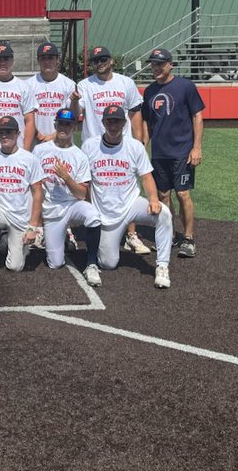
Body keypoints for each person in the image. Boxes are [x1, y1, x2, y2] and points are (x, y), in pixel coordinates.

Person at [82, 105, 173, 289]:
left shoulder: (134, 146)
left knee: (164, 214)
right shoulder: (89, 146)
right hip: (106, 213)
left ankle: (162, 266)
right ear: (103, 122)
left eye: (117, 121)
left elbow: (146, 177)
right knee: (108, 264)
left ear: (124, 123)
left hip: (131, 204)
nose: (113, 125)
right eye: (109, 121)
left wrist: (153, 199)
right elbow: (85, 182)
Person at [76, 45, 152, 256]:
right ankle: (96, 225)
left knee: (126, 187)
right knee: (93, 186)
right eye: (95, 60)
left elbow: (135, 112)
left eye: (103, 59)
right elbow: (76, 112)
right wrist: (74, 101)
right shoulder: (84, 85)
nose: (99, 63)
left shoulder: (125, 82)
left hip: (122, 143)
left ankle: (131, 235)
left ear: (111, 61)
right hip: (94, 143)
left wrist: (139, 140)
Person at [141, 48, 205, 259]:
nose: (156, 68)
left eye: (160, 63)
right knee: (162, 196)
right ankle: (168, 236)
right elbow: (148, 123)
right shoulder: (149, 92)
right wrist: (142, 146)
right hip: (159, 153)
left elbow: (197, 116)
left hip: (182, 152)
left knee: (183, 194)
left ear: (170, 65)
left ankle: (188, 238)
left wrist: (196, 147)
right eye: (153, 64)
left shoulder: (185, 86)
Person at [0, 115, 45, 284]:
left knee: (15, 266)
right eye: (1, 132)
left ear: (18, 134)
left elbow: (38, 193)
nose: (5, 136)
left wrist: (33, 226)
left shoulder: (29, 159)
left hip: (20, 217)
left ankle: (19, 244)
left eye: (9, 132)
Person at [33, 108, 102, 273]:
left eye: (68, 125)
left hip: (71, 206)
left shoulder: (79, 156)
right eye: (61, 124)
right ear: (55, 124)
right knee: (55, 263)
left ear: (74, 128)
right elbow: (33, 186)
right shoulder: (40, 151)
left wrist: (66, 177)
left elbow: (82, 194)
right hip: (50, 211)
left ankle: (91, 263)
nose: (64, 128)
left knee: (93, 215)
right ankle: (61, 236)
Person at [28, 42, 77, 145]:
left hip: (62, 142)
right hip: (37, 141)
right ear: (38, 60)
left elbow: (73, 115)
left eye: (50, 58)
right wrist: (38, 135)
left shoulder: (69, 84)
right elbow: (27, 116)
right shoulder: (28, 85)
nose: (47, 62)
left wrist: (53, 136)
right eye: (43, 58)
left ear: (57, 60)